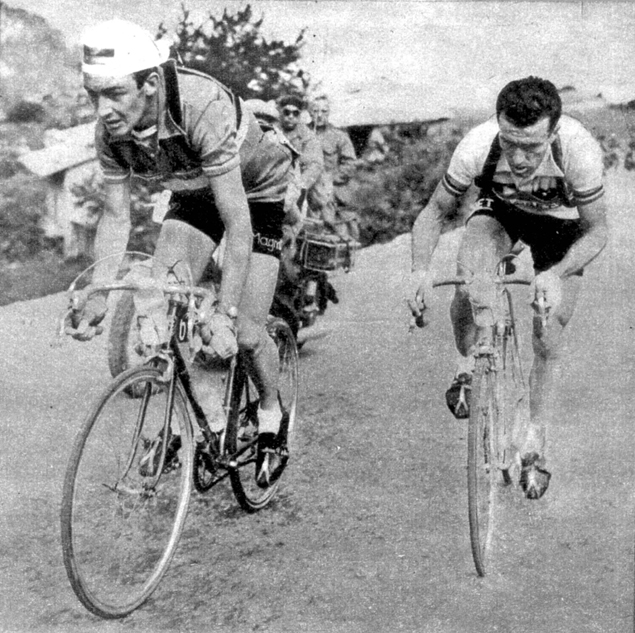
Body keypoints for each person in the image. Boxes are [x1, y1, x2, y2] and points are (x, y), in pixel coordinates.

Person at [66, 19, 294, 487]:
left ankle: (272, 416)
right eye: (93, 96)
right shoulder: (110, 131)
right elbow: (115, 217)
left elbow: (237, 224)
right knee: (165, 298)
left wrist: (226, 314)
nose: (103, 110)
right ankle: (183, 421)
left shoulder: (199, 106)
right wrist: (98, 293)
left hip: (255, 195)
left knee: (246, 334)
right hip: (195, 192)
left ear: (150, 84)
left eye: (113, 94)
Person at [410, 76, 608, 499]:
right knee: (469, 275)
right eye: (510, 142)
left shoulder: (579, 150)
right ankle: (467, 364)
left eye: (532, 147)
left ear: (553, 131)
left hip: (562, 229)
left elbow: (598, 231)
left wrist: (555, 274)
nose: (518, 158)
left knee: (548, 332)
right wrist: (419, 272)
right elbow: (434, 212)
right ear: (498, 125)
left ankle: (534, 438)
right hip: (502, 213)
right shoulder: (479, 144)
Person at [308, 94, 360, 242]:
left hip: (330, 190)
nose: (319, 115)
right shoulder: (302, 134)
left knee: (335, 232)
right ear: (309, 112)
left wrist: (332, 179)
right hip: (305, 190)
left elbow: (350, 164)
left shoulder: (339, 136)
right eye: (315, 111)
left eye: (324, 111)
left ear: (329, 113)